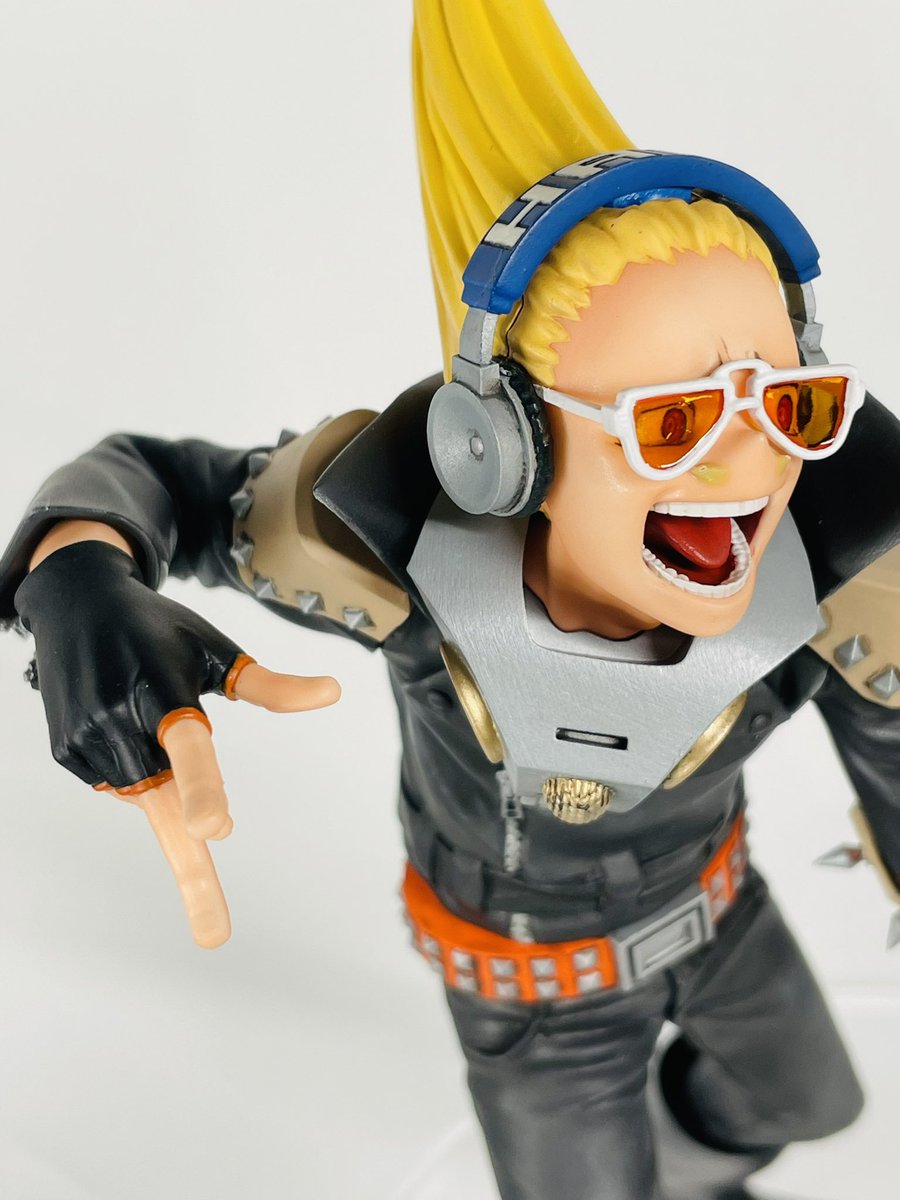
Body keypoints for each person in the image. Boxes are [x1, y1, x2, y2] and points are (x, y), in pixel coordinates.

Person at [1, 2, 898, 1197]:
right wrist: (77, 567)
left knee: (810, 1106)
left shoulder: (824, 578)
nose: (752, 465)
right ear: (499, 445)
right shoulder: (396, 566)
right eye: (675, 421)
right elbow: (164, 481)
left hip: (726, 914)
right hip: (537, 993)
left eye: (784, 403)